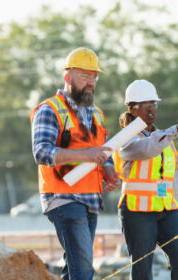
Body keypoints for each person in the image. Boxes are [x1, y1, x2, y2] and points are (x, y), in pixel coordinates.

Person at [30, 47, 120, 280]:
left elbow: (104, 151)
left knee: (75, 269)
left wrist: (108, 170)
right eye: (84, 76)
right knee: (83, 270)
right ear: (67, 76)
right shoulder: (50, 110)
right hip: (63, 197)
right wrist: (86, 154)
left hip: (90, 198)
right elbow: (41, 152)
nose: (90, 82)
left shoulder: (97, 114)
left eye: (93, 76)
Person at [113, 79, 178, 280]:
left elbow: (172, 180)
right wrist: (175, 131)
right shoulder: (126, 138)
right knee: (143, 269)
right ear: (133, 109)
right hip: (138, 212)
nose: (152, 110)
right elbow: (147, 148)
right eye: (146, 105)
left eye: (154, 104)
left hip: (168, 211)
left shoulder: (164, 138)